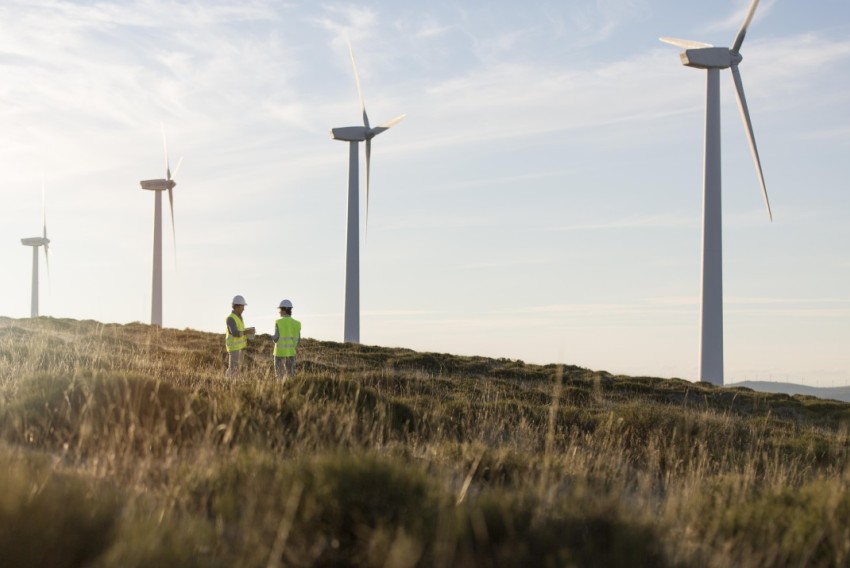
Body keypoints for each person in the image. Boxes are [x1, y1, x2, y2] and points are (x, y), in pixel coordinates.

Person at [225, 295, 255, 377]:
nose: (243, 309)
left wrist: (248, 333)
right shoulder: (230, 318)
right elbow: (235, 333)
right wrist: (247, 331)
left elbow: (241, 331)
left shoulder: (239, 318)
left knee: (236, 369)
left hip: (240, 348)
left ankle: (228, 382)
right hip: (234, 348)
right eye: (242, 306)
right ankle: (229, 385)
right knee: (233, 369)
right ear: (237, 306)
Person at [272, 299, 301, 379]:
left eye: (280, 309)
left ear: (284, 310)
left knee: (279, 376)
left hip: (279, 353)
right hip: (291, 352)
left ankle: (280, 390)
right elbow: (298, 340)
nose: (279, 312)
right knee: (291, 375)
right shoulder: (297, 323)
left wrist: (271, 337)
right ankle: (290, 389)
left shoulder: (278, 322)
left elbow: (276, 338)